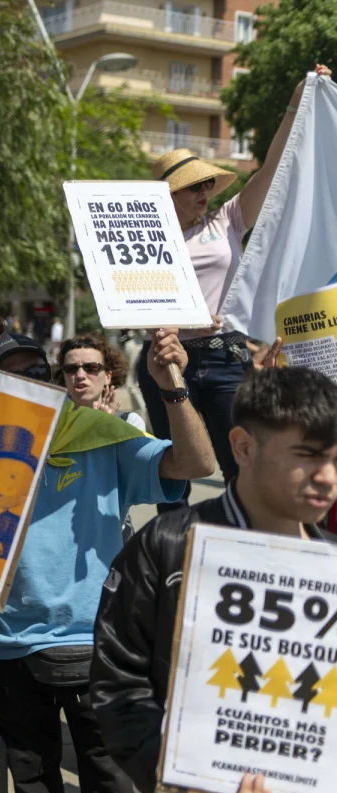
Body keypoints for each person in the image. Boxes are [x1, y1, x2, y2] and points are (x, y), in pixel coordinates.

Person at [0, 331, 216, 793]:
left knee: (111, 786)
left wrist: (172, 387)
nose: (27, 381)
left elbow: (197, 464)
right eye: (11, 373)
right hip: (8, 644)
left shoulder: (100, 434)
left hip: (92, 644)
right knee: (32, 787)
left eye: (36, 371)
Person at [92, 366, 335, 793]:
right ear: (243, 446)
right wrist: (186, 787)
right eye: (308, 455)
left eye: (336, 459)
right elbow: (119, 686)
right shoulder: (167, 545)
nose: (328, 477)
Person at [138, 63, 332, 508]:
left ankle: (239, 540)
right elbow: (129, 303)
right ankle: (171, 547)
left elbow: (272, 170)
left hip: (225, 358)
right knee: (173, 469)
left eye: (207, 183)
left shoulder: (227, 219)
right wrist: (182, 320)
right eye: (193, 187)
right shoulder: (144, 237)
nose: (205, 192)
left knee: (241, 466)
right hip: (165, 359)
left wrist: (295, 105)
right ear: (168, 194)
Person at [57, 332, 146, 431]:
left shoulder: (130, 422)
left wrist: (108, 425)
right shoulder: (52, 424)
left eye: (91, 367)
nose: (80, 375)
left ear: (108, 377)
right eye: (71, 368)